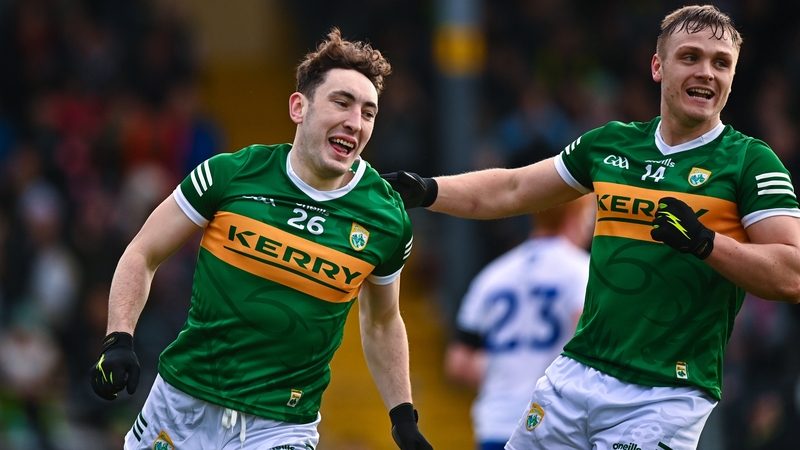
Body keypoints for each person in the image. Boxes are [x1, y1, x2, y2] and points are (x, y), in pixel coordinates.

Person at [383, 5, 800, 450]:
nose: (707, 73)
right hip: (574, 375)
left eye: (721, 63)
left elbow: (792, 273)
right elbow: (512, 187)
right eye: (690, 57)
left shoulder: (749, 162)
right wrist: (425, 190)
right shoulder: (610, 143)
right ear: (658, 66)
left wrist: (705, 242)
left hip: (664, 395)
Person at [89, 28, 433, 450]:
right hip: (181, 406)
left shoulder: (386, 216)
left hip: (283, 425)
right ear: (298, 107)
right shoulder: (230, 173)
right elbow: (143, 253)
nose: (354, 122)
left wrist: (403, 417)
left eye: (368, 112)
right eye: (341, 103)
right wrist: (118, 339)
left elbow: (382, 321)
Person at [443, 196, 594, 450]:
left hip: (497, 424)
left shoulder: (492, 275)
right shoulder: (583, 271)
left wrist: (507, 370)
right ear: (577, 217)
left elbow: (458, 363)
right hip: (557, 428)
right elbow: (587, 347)